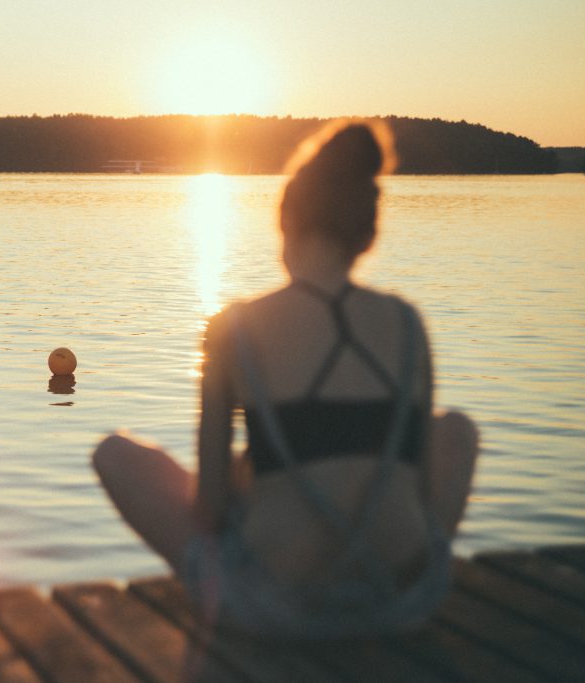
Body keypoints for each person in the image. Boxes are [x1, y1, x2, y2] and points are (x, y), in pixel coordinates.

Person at [92, 120, 478, 638]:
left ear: (285, 223)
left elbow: (207, 513)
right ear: (367, 234)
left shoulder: (235, 328)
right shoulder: (408, 323)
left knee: (117, 454)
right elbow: (422, 492)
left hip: (273, 607)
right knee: (456, 429)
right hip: (401, 601)